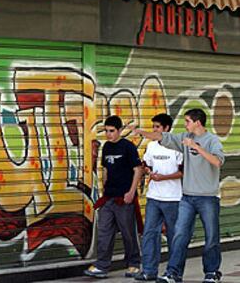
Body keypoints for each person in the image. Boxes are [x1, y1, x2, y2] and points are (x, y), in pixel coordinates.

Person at [133, 109, 225, 283]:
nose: (185, 124)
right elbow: (163, 137)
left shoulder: (212, 140)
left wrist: (196, 147)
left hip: (208, 197)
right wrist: (141, 132)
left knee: (211, 236)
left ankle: (212, 272)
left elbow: (218, 161)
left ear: (197, 122)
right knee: (179, 236)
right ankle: (173, 273)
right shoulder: (184, 137)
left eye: (188, 121)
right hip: (187, 198)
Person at [85, 115, 143, 279]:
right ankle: (102, 265)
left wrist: (131, 192)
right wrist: (104, 189)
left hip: (124, 198)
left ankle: (134, 264)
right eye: (106, 131)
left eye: (112, 131)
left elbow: (138, 170)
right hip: (109, 198)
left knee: (128, 233)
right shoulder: (107, 147)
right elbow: (105, 169)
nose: (109, 134)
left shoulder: (128, 147)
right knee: (104, 232)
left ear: (119, 131)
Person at [134, 114, 183, 281]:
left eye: (157, 127)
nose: (154, 130)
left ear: (167, 129)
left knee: (173, 236)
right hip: (154, 197)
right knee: (149, 233)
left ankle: (173, 271)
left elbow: (182, 172)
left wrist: (163, 177)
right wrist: (148, 172)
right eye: (153, 126)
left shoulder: (177, 147)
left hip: (173, 198)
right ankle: (149, 270)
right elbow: (146, 164)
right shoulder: (151, 146)